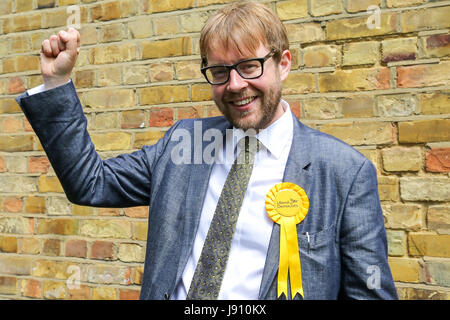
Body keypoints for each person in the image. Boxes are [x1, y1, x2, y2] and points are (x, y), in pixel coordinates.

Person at [17, 1, 398, 300]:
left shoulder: (344, 172)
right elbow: (90, 183)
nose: (234, 85)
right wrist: (57, 83)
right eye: (219, 72)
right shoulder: (184, 144)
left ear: (283, 64)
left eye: (249, 66)